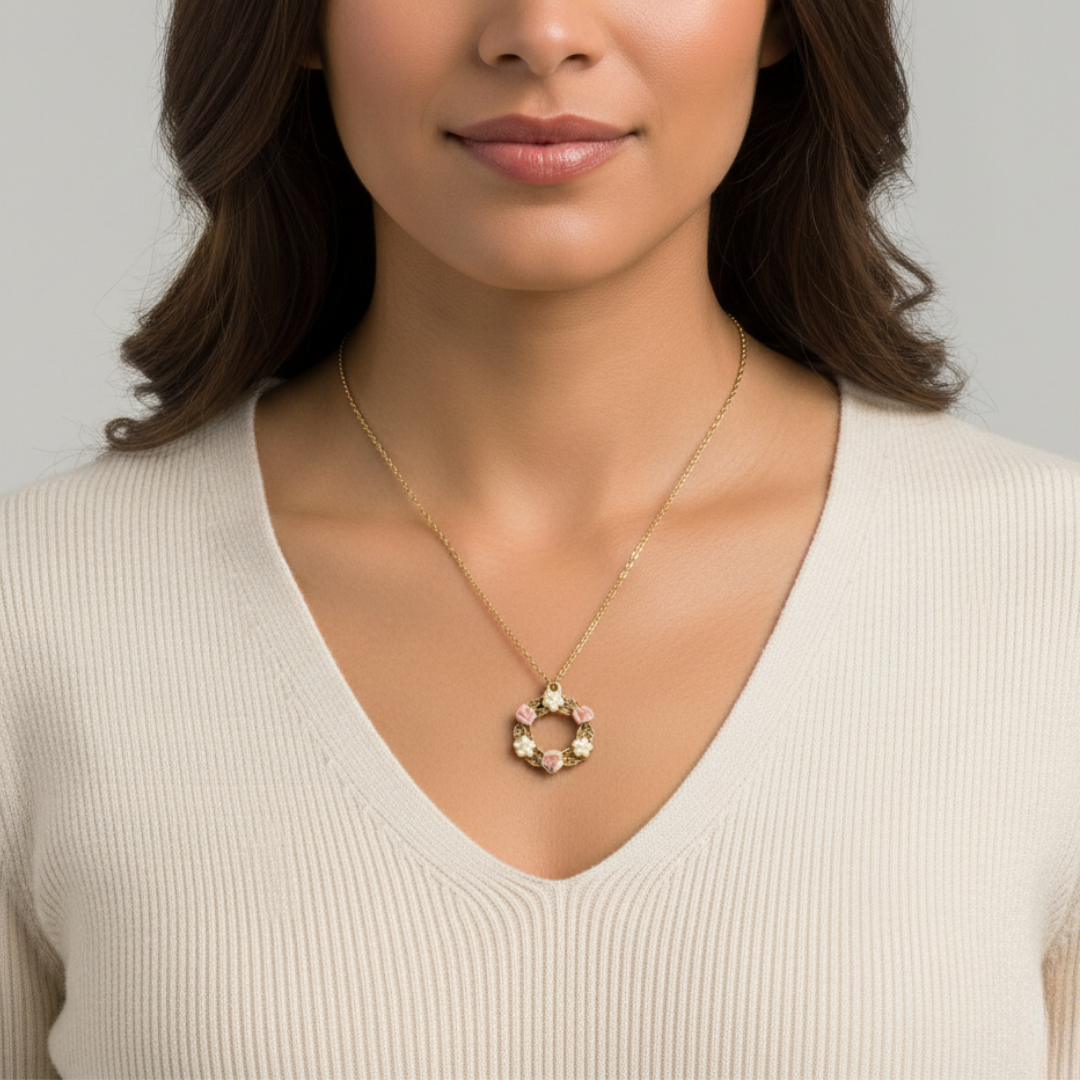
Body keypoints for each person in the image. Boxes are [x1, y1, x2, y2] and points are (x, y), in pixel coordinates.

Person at [2, 0, 1077, 1075]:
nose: (541, 31)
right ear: (301, 22)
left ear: (782, 19)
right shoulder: (38, 609)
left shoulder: (1049, 588)